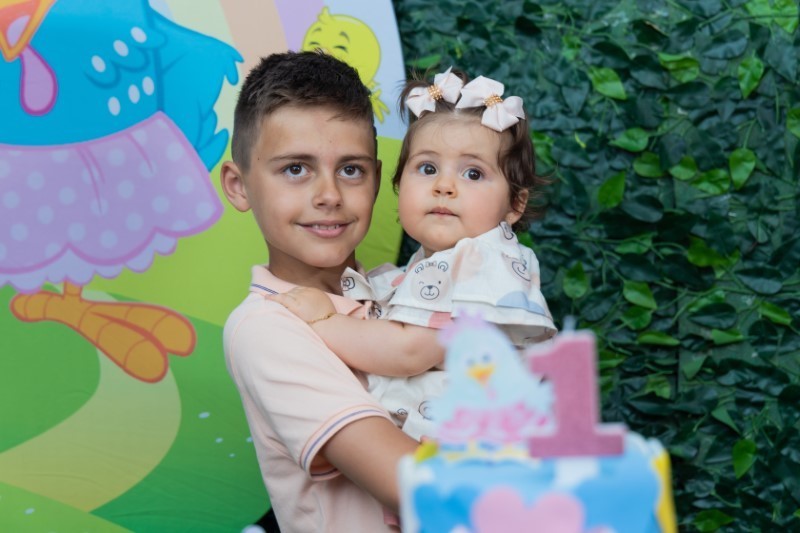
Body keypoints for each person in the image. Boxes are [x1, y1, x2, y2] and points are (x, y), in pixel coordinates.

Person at [270, 67, 557, 441]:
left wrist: (324, 320)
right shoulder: (436, 265)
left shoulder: (480, 262)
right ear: (397, 183)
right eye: (427, 168)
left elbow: (407, 352)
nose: (444, 186)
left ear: (514, 205)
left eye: (473, 174)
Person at [219, 51, 419, 533]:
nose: (328, 195)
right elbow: (412, 484)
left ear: (376, 180)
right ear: (239, 185)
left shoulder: (405, 290)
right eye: (296, 169)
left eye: (350, 170)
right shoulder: (264, 328)